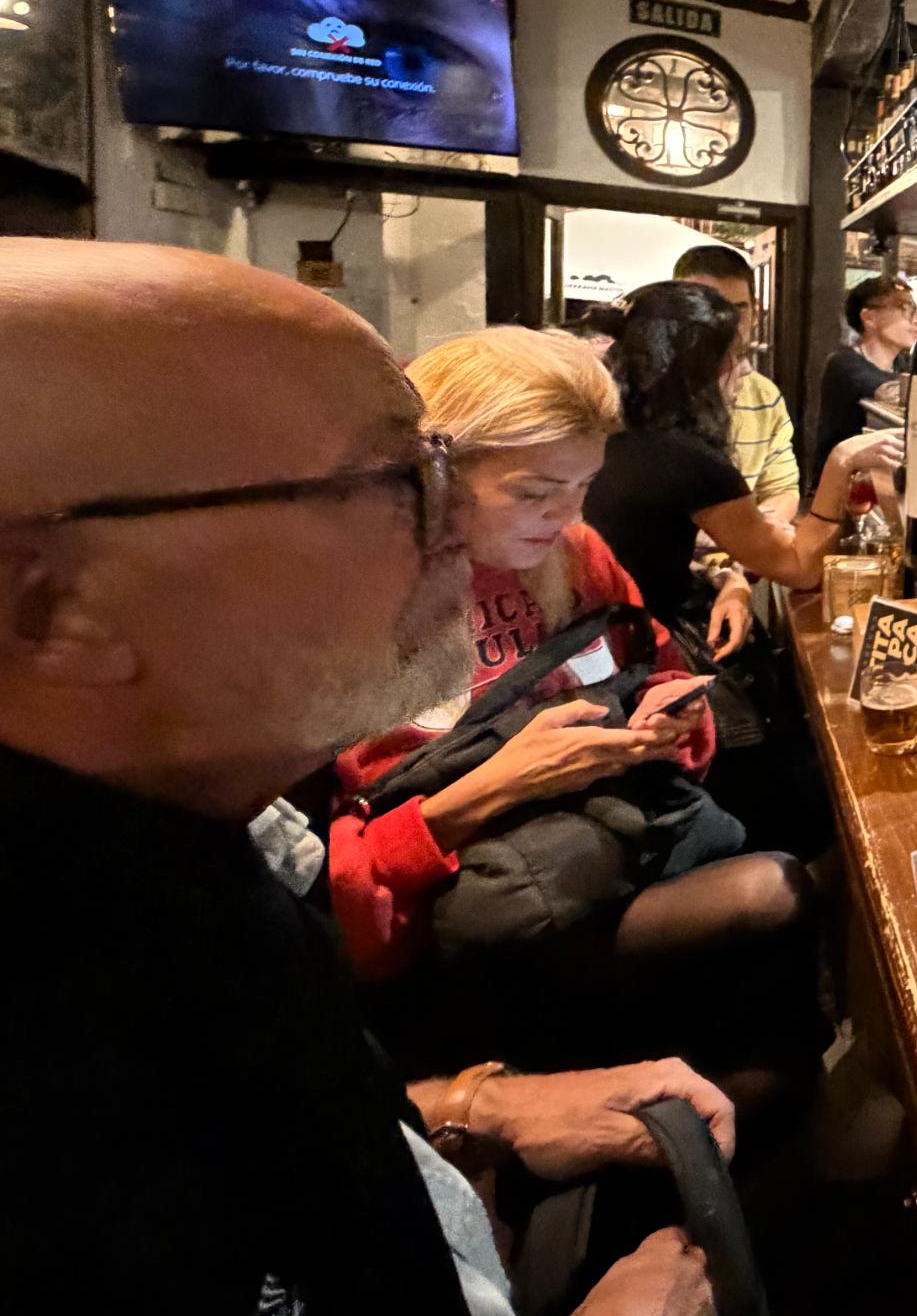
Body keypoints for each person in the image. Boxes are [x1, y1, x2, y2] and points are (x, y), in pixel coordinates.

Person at [0, 238, 717, 1314]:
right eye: (392, 480)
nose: (453, 530)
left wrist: (470, 1108)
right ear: (48, 606)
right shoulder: (46, 1059)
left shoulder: (203, 848)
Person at [325, 327, 809, 1035]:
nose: (570, 516)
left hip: (594, 856)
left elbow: (660, 676)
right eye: (535, 492)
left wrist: (665, 724)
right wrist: (501, 784)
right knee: (776, 902)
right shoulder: (340, 602)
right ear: (428, 472)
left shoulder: (574, 554)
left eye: (584, 486)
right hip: (451, 933)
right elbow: (324, 892)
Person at [585, 281, 900, 629]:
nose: (746, 370)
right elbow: (799, 568)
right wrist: (840, 463)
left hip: (594, 636)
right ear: (697, 369)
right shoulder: (690, 460)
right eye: (736, 357)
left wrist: (725, 576)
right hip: (642, 645)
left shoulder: (603, 430)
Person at [673, 244, 799, 526]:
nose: (724, 324)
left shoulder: (764, 395)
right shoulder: (643, 392)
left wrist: (749, 539)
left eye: (737, 310)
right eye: (707, 309)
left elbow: (782, 490)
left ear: (754, 313)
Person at [813, 275, 917, 480]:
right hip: (839, 487)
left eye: (916, 312)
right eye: (905, 310)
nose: (916, 320)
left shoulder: (904, 363)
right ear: (869, 317)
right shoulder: (843, 362)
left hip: (881, 479)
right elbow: (890, 393)